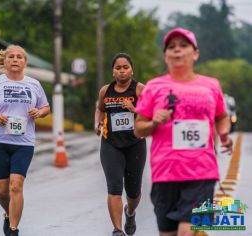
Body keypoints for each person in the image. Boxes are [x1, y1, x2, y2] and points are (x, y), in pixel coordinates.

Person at [134, 28, 233, 236]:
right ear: (165, 56)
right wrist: (153, 122)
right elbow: (138, 129)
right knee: (167, 233)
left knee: (188, 230)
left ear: (195, 53)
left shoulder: (211, 85)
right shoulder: (154, 87)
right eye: (171, 47)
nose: (177, 51)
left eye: (183, 45)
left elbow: (222, 116)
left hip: (203, 172)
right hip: (165, 172)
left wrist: (223, 133)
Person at [0, 45, 50, 236]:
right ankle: (9, 214)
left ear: (25, 62)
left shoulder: (33, 84)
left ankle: (13, 229)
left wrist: (39, 112)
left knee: (16, 185)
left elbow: (45, 107)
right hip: (0, 141)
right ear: (5, 61)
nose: (15, 60)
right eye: (11, 57)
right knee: (2, 191)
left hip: (24, 143)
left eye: (19, 57)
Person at [94, 53, 146, 236]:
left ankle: (130, 212)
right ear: (113, 71)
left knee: (133, 191)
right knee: (114, 187)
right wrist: (97, 123)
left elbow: (150, 114)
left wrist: (134, 109)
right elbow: (100, 109)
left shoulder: (140, 90)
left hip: (135, 144)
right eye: (118, 68)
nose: (122, 71)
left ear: (131, 69)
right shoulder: (105, 91)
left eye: (125, 67)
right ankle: (117, 230)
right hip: (110, 144)